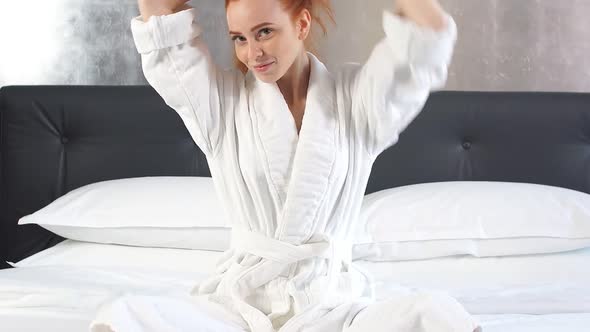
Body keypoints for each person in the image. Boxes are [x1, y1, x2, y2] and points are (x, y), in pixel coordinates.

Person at [90, 0, 483, 331]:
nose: (252, 53)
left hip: (337, 307)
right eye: (239, 39)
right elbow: (164, 33)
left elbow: (423, 39)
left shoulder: (357, 101)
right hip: (238, 307)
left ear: (302, 22)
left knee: (435, 314)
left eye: (264, 32)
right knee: (127, 315)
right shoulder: (219, 105)